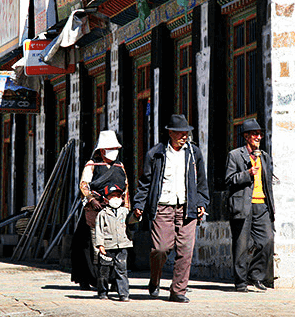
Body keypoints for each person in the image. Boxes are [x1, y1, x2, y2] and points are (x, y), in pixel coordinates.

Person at [133, 114, 209, 303]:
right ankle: (155, 279)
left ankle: (178, 291)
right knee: (160, 248)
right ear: (170, 133)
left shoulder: (193, 153)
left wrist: (201, 202)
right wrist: (139, 205)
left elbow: (201, 182)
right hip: (163, 207)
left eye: (186, 132)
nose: (184, 136)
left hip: (187, 208)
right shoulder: (156, 154)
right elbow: (145, 182)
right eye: (180, 132)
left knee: (185, 249)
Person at [71, 130, 129, 290]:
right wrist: (91, 199)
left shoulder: (120, 166)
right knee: (86, 245)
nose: (114, 152)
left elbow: (126, 188)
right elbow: (84, 185)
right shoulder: (92, 165)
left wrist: (126, 208)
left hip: (116, 212)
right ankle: (90, 279)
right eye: (111, 148)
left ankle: (115, 281)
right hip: (95, 210)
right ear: (102, 150)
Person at [225, 118, 275, 292]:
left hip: (262, 205)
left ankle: (256, 276)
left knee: (267, 241)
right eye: (254, 134)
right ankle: (240, 282)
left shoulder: (265, 157)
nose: (258, 137)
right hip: (242, 205)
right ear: (246, 136)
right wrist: (247, 173)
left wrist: (271, 207)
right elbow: (229, 180)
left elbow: (268, 183)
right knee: (241, 245)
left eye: (260, 134)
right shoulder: (235, 155)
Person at [95, 183, 132, 301]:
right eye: (112, 196)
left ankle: (123, 294)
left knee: (121, 269)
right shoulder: (102, 214)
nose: (116, 198)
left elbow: (132, 221)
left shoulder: (125, 212)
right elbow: (99, 230)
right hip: (108, 245)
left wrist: (137, 215)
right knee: (104, 271)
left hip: (122, 245)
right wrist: (100, 244)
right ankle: (103, 292)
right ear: (106, 199)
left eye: (118, 195)